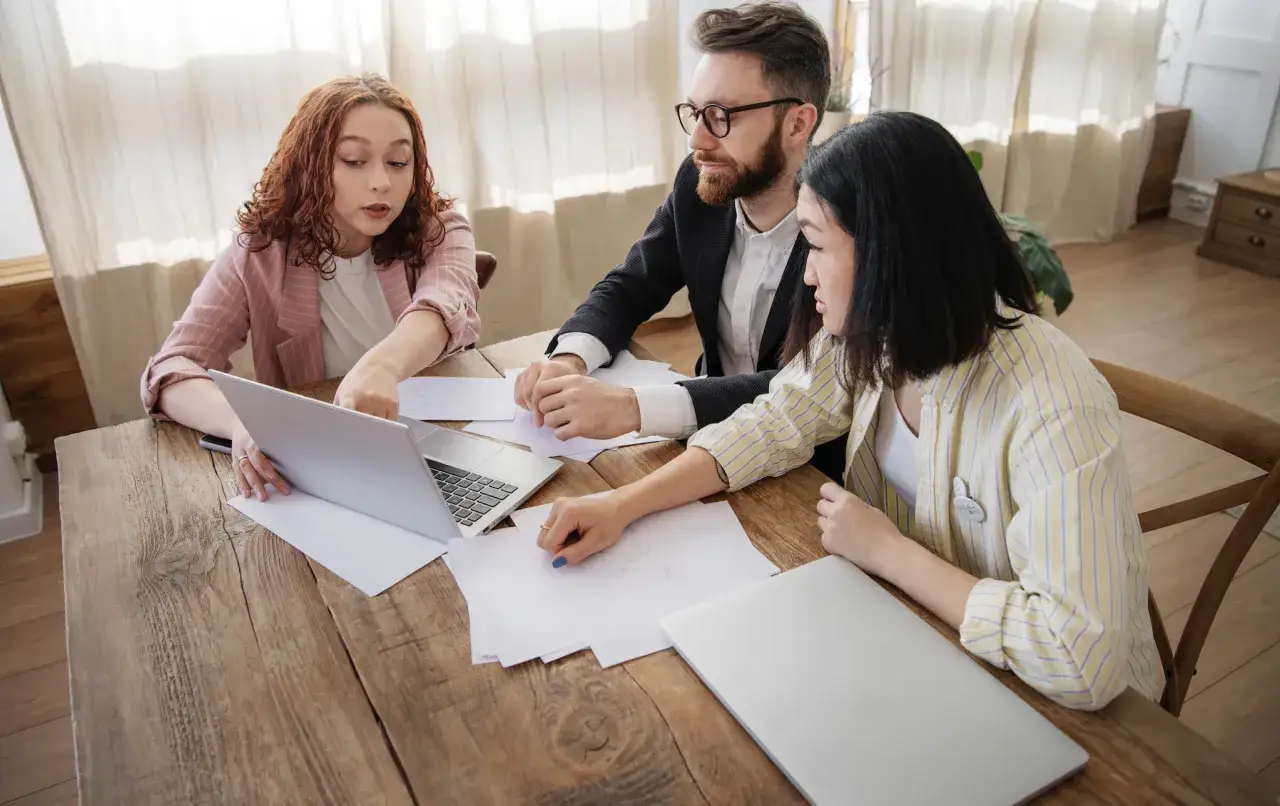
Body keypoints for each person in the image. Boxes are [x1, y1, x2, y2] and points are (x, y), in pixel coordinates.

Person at [534, 112, 1162, 712]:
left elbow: (1082, 657)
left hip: (1061, 707)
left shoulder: (1051, 399)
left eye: (815, 246)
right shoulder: (873, 334)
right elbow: (773, 423)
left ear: (893, 253)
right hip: (910, 639)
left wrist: (889, 553)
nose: (806, 276)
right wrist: (622, 505)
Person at [512, 1, 847, 479]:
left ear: (798, 123)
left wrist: (634, 407)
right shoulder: (700, 185)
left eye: (722, 115)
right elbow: (631, 285)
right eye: (694, 112)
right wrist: (570, 359)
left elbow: (806, 390)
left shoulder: (844, 230)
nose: (697, 140)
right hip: (702, 444)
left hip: (809, 468)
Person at [141, 74, 479, 502]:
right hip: (323, 468)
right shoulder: (262, 252)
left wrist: (382, 368)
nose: (381, 183)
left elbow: (445, 304)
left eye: (398, 162)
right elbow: (171, 369)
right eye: (354, 160)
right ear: (311, 164)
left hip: (441, 449)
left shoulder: (441, 229)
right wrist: (242, 423)